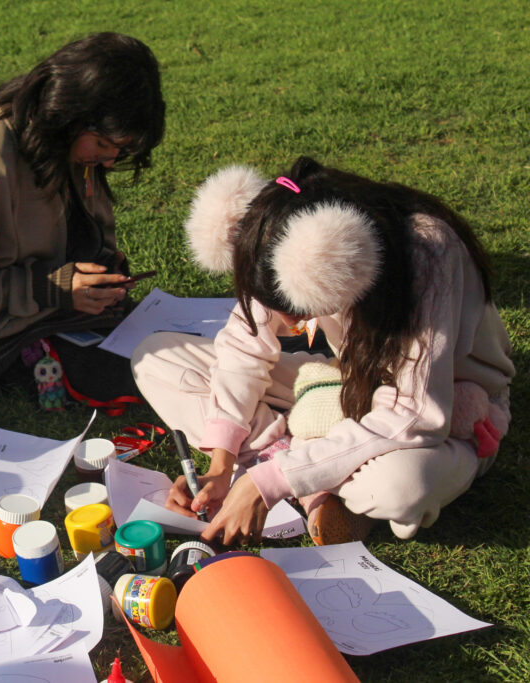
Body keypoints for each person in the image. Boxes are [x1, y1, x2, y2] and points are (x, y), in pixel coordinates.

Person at [131, 157, 514, 546]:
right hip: (346, 384)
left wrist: (273, 479)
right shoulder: (278, 238)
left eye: (297, 309)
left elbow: (413, 415)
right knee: (156, 356)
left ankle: (304, 463)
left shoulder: (429, 255)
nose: (294, 326)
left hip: (450, 407)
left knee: (400, 486)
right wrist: (221, 462)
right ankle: (307, 468)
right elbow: (244, 345)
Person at [0, 32, 165, 409]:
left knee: (194, 346)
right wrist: (50, 289)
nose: (108, 161)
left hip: (55, 315)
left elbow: (79, 233)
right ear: (70, 111)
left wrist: (103, 272)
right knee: (159, 371)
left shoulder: (66, 144)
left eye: (119, 152)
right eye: (105, 146)